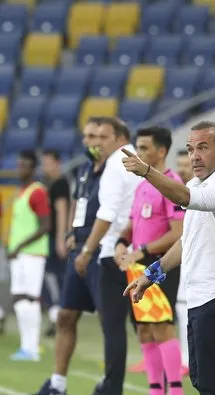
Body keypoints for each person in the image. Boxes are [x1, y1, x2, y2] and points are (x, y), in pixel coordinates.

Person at [122, 121, 215, 395]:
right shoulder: (196, 184)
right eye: (191, 149)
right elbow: (186, 241)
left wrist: (146, 171)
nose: (194, 156)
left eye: (203, 148)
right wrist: (151, 275)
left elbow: (184, 196)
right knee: (203, 383)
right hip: (202, 298)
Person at [37, 117, 106, 395]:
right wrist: (70, 232)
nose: (90, 142)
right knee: (66, 315)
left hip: (101, 251)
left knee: (108, 320)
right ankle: (58, 383)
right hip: (79, 247)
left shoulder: (115, 170)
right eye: (87, 136)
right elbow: (79, 202)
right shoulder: (85, 170)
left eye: (97, 137)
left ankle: (108, 381)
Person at [114, 127, 185, 395]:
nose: (138, 153)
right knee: (144, 331)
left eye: (144, 148)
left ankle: (175, 390)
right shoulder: (142, 185)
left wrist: (141, 250)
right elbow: (132, 224)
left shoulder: (172, 185)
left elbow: (177, 233)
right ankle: (156, 389)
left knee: (162, 328)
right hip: (136, 266)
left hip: (160, 265)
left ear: (161, 151)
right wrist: (122, 243)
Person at [77, 117, 141, 395]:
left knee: (113, 324)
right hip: (138, 248)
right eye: (94, 137)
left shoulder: (116, 163)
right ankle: (163, 384)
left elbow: (108, 212)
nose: (97, 144)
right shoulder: (137, 161)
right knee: (150, 326)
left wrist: (88, 249)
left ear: (119, 137)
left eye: (103, 138)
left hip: (113, 250)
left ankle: (112, 386)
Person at [7, 150, 51, 361]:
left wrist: (20, 246)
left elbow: (45, 226)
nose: (20, 168)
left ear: (33, 168)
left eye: (24, 165)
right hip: (19, 255)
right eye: (19, 164)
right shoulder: (21, 192)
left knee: (30, 299)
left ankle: (32, 348)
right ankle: (26, 346)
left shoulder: (37, 192)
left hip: (32, 255)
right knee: (19, 300)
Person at [39, 150, 70, 338]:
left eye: (48, 163)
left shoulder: (60, 184)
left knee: (54, 279)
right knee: (49, 278)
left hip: (53, 238)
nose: (45, 167)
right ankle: (54, 316)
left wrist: (61, 238)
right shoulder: (47, 184)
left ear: (57, 163)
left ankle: (58, 317)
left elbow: (62, 211)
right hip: (47, 239)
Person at [174, 148, 192, 372]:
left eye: (185, 164)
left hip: (198, 258)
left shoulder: (200, 192)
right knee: (181, 306)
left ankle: (188, 360)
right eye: (179, 164)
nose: (181, 169)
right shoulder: (177, 192)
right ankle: (184, 358)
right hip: (180, 257)